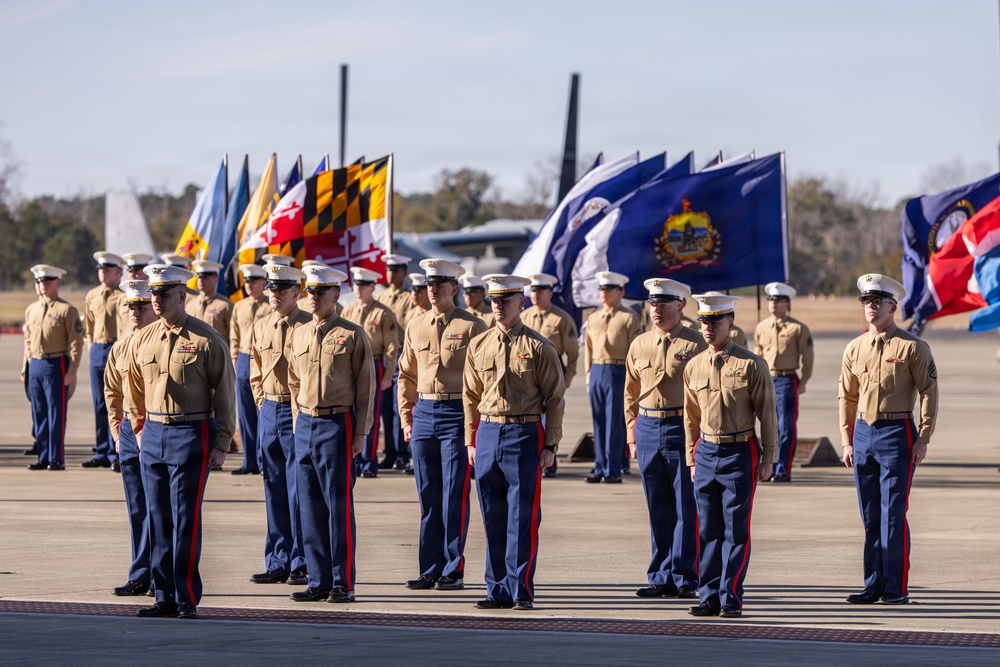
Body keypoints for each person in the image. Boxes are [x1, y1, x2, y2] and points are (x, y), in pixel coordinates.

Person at [128, 264, 236, 619]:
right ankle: (164, 595)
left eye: (163, 294)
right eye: (153, 294)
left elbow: (224, 395)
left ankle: (186, 596)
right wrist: (140, 428)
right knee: (158, 517)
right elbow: (133, 387)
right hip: (155, 433)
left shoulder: (206, 339)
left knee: (185, 517)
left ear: (181, 297)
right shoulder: (143, 338)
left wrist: (222, 443)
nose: (156, 300)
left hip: (192, 433)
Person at [463, 274, 565, 610]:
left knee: (522, 517)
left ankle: (520, 588)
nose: (498, 306)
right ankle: (497, 589)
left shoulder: (538, 346)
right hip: (489, 433)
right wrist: (471, 440)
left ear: (521, 303)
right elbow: (469, 395)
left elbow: (555, 398)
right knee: (492, 516)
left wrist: (550, 445)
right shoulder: (479, 344)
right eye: (494, 300)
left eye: (506, 300)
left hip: (524, 434)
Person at [839, 274, 938, 606]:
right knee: (870, 515)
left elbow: (929, 392)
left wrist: (922, 437)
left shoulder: (912, 346)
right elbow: (846, 397)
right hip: (864, 434)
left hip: (897, 433)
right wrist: (847, 439)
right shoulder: (855, 348)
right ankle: (873, 584)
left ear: (893, 306)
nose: (871, 307)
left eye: (877, 301)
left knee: (892, 513)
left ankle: (895, 587)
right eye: (866, 301)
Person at [683, 292, 777, 618]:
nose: (708, 328)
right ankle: (708, 596)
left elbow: (768, 413)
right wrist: (691, 458)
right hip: (706, 451)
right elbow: (690, 416)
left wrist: (769, 457)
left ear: (730, 323)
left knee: (735, 529)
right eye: (704, 321)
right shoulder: (694, 366)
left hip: (740, 450)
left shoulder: (751, 364)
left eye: (715, 321)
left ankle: (731, 596)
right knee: (707, 529)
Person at [287, 265, 375, 604]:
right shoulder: (299, 334)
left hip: (337, 424)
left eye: (319, 292)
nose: (312, 297)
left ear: (336, 296)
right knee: (308, 507)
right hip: (306, 424)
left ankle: (342, 582)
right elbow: (294, 380)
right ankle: (318, 579)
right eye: (309, 291)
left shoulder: (352, 335)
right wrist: (298, 420)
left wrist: (361, 434)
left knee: (337, 506)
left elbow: (366, 388)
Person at [398, 259, 487, 592]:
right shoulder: (415, 325)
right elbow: (406, 375)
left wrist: (475, 427)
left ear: (455, 288)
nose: (433, 289)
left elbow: (481, 380)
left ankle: (453, 568)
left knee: (454, 495)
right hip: (423, 412)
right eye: (430, 284)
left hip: (456, 413)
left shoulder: (472, 326)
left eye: (441, 284)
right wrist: (406, 417)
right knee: (428, 496)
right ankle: (430, 568)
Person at [625, 279, 706, 599]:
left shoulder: (696, 343)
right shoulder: (639, 343)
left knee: (686, 504)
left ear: (680, 306)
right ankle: (660, 574)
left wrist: (699, 437)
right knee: (657, 505)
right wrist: (631, 433)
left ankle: (685, 574)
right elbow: (630, 393)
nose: (656, 309)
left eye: (663, 303)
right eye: (652, 304)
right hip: (647, 428)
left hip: (680, 428)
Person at [248, 263, 312, 586]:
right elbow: (255, 370)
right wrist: (262, 400)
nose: (274, 294)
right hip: (270, 410)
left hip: (295, 411)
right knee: (273, 489)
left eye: (281, 289)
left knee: (297, 489)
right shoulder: (261, 326)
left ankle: (300, 561)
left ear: (296, 293)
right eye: (271, 288)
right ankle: (277, 559)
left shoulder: (307, 324)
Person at [104, 278, 159, 597]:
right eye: (131, 306)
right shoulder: (120, 347)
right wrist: (116, 432)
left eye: (140, 306)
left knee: (161, 507)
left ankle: (162, 574)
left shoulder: (164, 342)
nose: (135, 312)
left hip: (156, 426)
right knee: (137, 506)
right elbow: (112, 393)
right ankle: (141, 573)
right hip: (128, 429)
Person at [24, 264, 83, 471]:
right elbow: (28, 339)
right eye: (39, 282)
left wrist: (72, 371)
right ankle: (42, 455)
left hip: (55, 363)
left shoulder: (66, 310)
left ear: (57, 284)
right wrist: (26, 365)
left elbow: (76, 342)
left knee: (56, 413)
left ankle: (56, 458)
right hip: (35, 364)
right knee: (39, 412)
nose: (42, 286)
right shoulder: (31, 309)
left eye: (47, 282)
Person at [753, 282, 814, 482]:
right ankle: (767, 467)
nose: (773, 304)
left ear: (787, 304)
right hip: (766, 379)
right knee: (767, 426)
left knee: (786, 427)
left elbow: (808, 356)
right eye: (771, 299)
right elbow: (758, 355)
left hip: (787, 380)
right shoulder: (761, 327)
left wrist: (804, 380)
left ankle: (782, 471)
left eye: (778, 300)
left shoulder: (797, 328)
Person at [342, 266, 399, 478]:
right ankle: (354, 460)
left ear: (373, 286)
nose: (359, 288)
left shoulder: (383, 312)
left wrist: (387, 375)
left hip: (374, 364)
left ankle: (368, 462)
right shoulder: (348, 311)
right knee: (351, 413)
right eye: (356, 284)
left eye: (364, 284)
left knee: (370, 415)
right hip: (351, 366)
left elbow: (391, 348)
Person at [584, 271, 641, 483]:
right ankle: (599, 466)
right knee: (598, 421)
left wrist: (632, 380)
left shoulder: (629, 318)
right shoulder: (593, 318)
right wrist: (589, 376)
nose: (603, 292)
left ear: (620, 292)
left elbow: (634, 353)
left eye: (608, 289)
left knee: (615, 423)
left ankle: (613, 469)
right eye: (601, 289)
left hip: (618, 372)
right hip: (598, 371)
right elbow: (588, 350)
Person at [521, 272, 579, 478]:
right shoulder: (524, 316)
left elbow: (573, 351)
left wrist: (569, 375)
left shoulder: (561, 318)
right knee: (531, 415)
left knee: (551, 415)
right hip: (526, 371)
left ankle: (549, 461)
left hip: (553, 370)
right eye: (533, 290)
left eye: (540, 290)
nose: (535, 294)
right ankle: (532, 459)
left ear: (550, 292)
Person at [82, 252, 125, 470]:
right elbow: (87, 326)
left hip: (115, 348)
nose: (102, 272)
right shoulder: (92, 295)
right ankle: (101, 450)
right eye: (100, 269)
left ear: (118, 273)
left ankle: (115, 450)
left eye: (107, 270)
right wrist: (91, 347)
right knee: (99, 403)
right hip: (98, 349)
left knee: (116, 402)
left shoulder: (124, 296)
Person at [230, 263, 272, 475]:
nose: (249, 285)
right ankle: (250, 461)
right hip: (245, 359)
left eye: (253, 281)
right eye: (246, 281)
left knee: (262, 410)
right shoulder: (240, 306)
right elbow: (234, 336)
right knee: (245, 414)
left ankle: (264, 460)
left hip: (264, 360)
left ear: (264, 283)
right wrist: (235, 359)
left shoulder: (270, 306)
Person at [375, 253, 413, 471]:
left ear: (404, 272)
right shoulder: (381, 298)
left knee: (400, 406)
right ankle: (389, 452)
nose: (391, 273)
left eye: (396, 270)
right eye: (389, 270)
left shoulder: (410, 297)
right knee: (385, 409)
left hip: (401, 353)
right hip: (384, 356)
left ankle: (401, 453)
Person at [186, 259, 234, 341]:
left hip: (215, 352)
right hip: (193, 351)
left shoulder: (226, 306)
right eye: (199, 276)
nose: (201, 280)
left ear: (216, 279)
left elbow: (233, 335)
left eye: (205, 277)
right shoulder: (189, 305)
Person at [118, 253, 155, 338]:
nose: (132, 275)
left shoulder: (155, 295)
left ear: (146, 273)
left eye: (137, 271)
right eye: (130, 271)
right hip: (127, 344)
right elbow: (119, 329)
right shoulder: (121, 299)